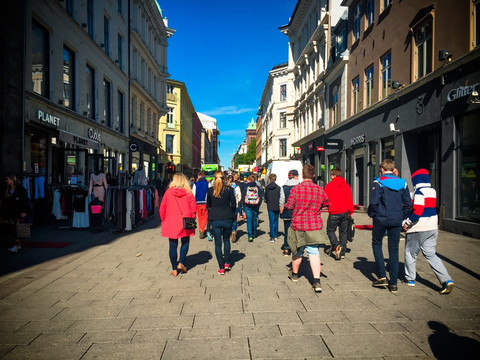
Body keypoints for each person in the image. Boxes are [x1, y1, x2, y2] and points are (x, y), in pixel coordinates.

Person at [402, 169, 454, 294]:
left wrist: (407, 222)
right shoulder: (432, 191)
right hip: (432, 227)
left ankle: (410, 279)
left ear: (417, 179)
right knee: (431, 254)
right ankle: (446, 280)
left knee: (410, 254)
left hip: (418, 228)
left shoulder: (419, 192)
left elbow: (418, 211)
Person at [368, 159, 411, 293]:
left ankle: (382, 277)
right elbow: (408, 204)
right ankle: (393, 283)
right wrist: (403, 217)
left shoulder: (378, 182)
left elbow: (374, 202)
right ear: (393, 169)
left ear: (382, 169)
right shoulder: (403, 183)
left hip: (381, 219)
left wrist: (373, 214)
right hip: (396, 220)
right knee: (394, 250)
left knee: (377, 243)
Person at [284, 164, 329, 293]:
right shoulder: (320, 190)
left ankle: (295, 275)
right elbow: (326, 204)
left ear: (302, 175)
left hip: (298, 225)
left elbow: (290, 205)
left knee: (298, 251)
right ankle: (316, 281)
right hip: (314, 225)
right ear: (313, 176)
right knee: (314, 252)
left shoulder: (296, 189)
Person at [159, 172, 197, 277]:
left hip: (171, 221)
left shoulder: (168, 192)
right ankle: (181, 262)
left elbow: (162, 208)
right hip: (186, 221)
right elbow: (193, 208)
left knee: (172, 245)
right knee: (185, 242)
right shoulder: (188, 193)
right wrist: (193, 218)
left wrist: (163, 219)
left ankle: (174, 269)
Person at [207, 171, 237, 274]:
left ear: (214, 178)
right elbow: (234, 204)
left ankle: (221, 267)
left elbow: (208, 205)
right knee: (226, 241)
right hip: (227, 217)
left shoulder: (211, 190)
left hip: (215, 219)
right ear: (224, 178)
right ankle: (227, 263)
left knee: (218, 244)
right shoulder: (229, 189)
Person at [324, 168, 354, 260]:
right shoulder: (346, 186)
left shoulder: (329, 186)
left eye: (331, 175)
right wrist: (350, 211)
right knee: (343, 232)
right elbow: (350, 199)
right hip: (345, 211)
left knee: (330, 230)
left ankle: (336, 246)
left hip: (334, 211)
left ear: (333, 175)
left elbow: (325, 199)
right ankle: (343, 252)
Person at [2, 175, 30, 253]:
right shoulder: (7, 189)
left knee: (18, 228)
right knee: (15, 228)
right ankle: (18, 245)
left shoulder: (19, 188)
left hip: (19, 211)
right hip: (12, 212)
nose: (6, 181)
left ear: (12, 180)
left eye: (7, 179)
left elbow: (25, 200)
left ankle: (17, 245)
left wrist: (24, 211)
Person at [279, 169, 300, 256]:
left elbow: (281, 200)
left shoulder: (283, 187)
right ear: (296, 176)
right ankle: (297, 249)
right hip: (298, 212)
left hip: (287, 212)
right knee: (297, 232)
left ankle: (287, 249)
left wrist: (281, 211)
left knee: (287, 231)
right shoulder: (299, 186)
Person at [241, 174, 263, 242]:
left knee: (249, 220)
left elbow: (243, 197)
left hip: (248, 206)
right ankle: (254, 233)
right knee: (254, 219)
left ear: (249, 180)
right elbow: (260, 198)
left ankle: (250, 236)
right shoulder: (257, 188)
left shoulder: (246, 187)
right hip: (255, 206)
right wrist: (258, 205)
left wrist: (244, 206)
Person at [192, 171, 210, 239]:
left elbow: (193, 194)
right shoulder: (208, 184)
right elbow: (209, 193)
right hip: (205, 203)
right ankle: (202, 229)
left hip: (197, 203)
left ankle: (200, 228)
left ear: (199, 176)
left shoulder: (195, 184)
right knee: (205, 216)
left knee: (199, 216)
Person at [264, 173, 281, 243]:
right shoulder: (279, 188)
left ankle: (272, 237)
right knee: (276, 220)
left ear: (270, 179)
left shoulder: (267, 188)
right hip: (277, 206)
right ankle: (276, 235)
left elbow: (265, 198)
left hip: (270, 206)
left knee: (271, 221)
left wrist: (267, 201)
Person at [227, 175, 242, 242]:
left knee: (228, 219)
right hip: (235, 205)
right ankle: (234, 230)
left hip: (227, 206)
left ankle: (229, 233)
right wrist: (237, 201)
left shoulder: (226, 187)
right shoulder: (237, 187)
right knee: (234, 219)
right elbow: (239, 197)